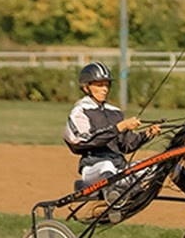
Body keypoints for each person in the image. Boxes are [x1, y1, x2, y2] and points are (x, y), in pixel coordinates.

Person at [64, 61, 160, 204]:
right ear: (86, 87)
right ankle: (114, 200)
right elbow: (83, 141)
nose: (105, 89)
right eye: (99, 85)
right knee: (106, 165)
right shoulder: (80, 112)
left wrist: (147, 134)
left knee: (156, 165)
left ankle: (129, 192)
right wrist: (119, 127)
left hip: (119, 169)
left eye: (106, 85)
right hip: (93, 168)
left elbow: (126, 145)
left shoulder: (115, 112)